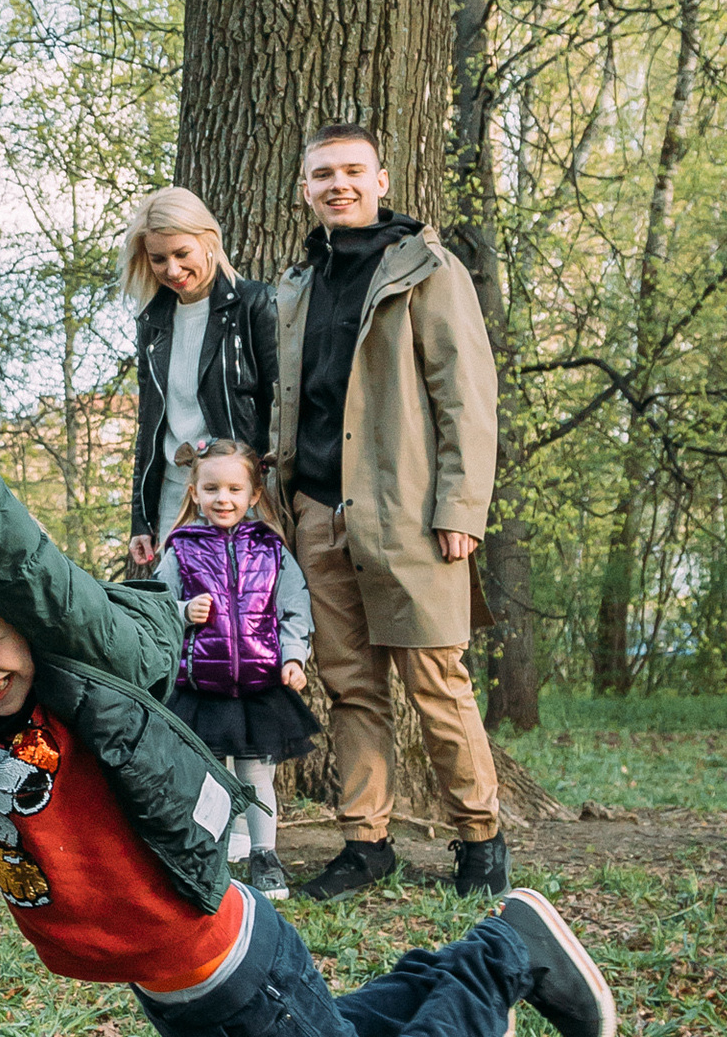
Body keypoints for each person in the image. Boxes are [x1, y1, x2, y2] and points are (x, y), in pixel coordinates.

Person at [0, 403, 618, 1037]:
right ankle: (451, 992)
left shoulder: (90, 678)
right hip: (177, 996)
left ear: (32, 621)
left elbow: (28, 568)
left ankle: (504, 953)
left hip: (237, 974)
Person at [274, 121, 508, 905]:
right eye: (323, 174)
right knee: (352, 689)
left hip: (409, 515)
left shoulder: (429, 269)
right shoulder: (298, 285)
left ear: (380, 181)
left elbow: (465, 397)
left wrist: (461, 507)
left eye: (352, 171)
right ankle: (365, 844)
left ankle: (481, 839)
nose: (338, 185)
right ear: (305, 189)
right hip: (316, 514)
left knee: (437, 679)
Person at [149, 437, 319, 903]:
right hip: (200, 686)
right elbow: (157, 606)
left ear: (254, 494)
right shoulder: (181, 548)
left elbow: (294, 607)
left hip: (260, 686)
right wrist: (184, 612)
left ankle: (265, 854)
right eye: (211, 489)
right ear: (194, 493)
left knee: (256, 774)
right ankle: (209, 852)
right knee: (206, 775)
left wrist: (293, 658)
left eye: (234, 489)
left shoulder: (270, 548)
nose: (223, 499)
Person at [123, 186, 276, 569]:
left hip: (239, 495)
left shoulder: (255, 305)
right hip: (176, 497)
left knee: (247, 600)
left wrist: (266, 489)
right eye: (159, 259)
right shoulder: (152, 323)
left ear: (208, 240)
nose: (172, 270)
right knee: (181, 602)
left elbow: (281, 408)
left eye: (181, 253)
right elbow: (149, 427)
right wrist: (141, 519)